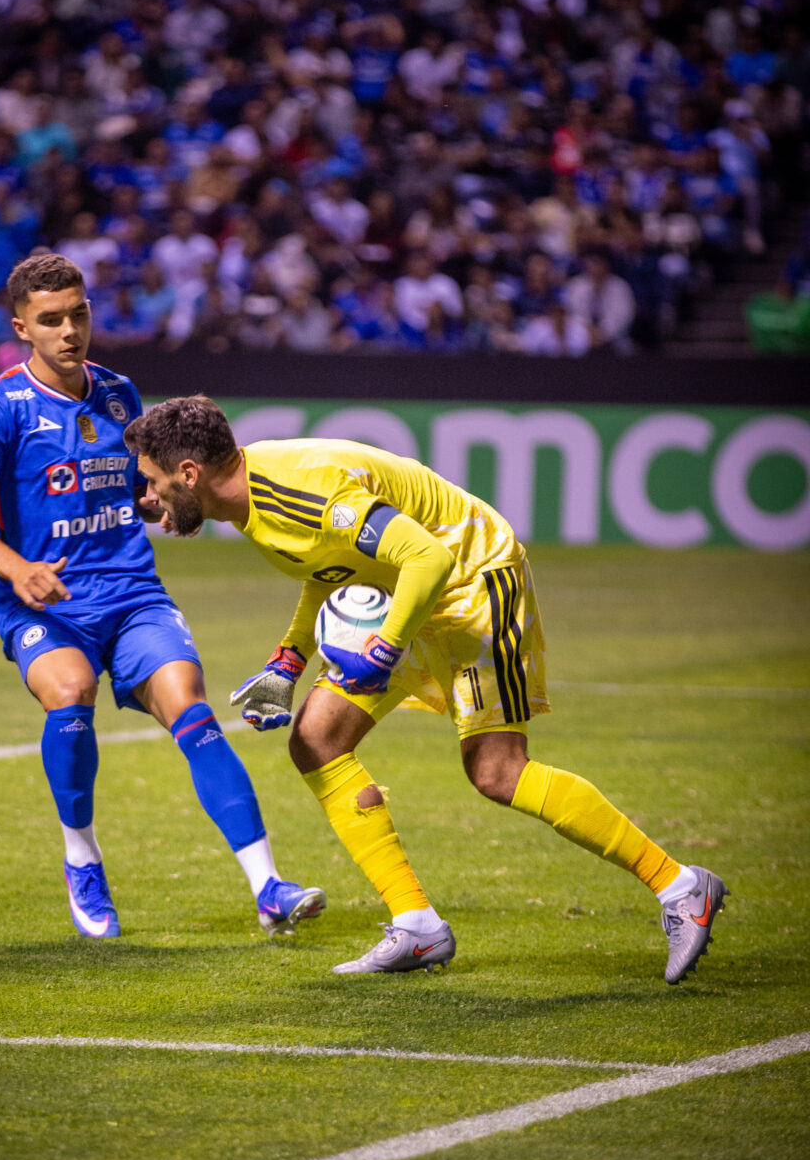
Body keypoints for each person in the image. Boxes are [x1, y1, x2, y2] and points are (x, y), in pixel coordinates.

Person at [124, 396, 729, 983]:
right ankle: (416, 924)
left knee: (497, 771)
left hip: (471, 579)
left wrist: (382, 650)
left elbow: (428, 557)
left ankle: (680, 886)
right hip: (406, 594)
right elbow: (330, 569)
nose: (148, 498)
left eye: (151, 482)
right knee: (316, 739)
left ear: (189, 472)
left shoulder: (298, 489)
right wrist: (288, 661)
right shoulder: (251, 499)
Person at [0, 255, 325, 941]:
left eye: (78, 314)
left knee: (191, 705)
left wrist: (165, 504)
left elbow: (136, 492)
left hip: (129, 589)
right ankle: (82, 858)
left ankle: (268, 885)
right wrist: (16, 565)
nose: (69, 331)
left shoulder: (119, 396)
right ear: (21, 326)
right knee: (71, 690)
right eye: (51, 319)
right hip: (42, 598)